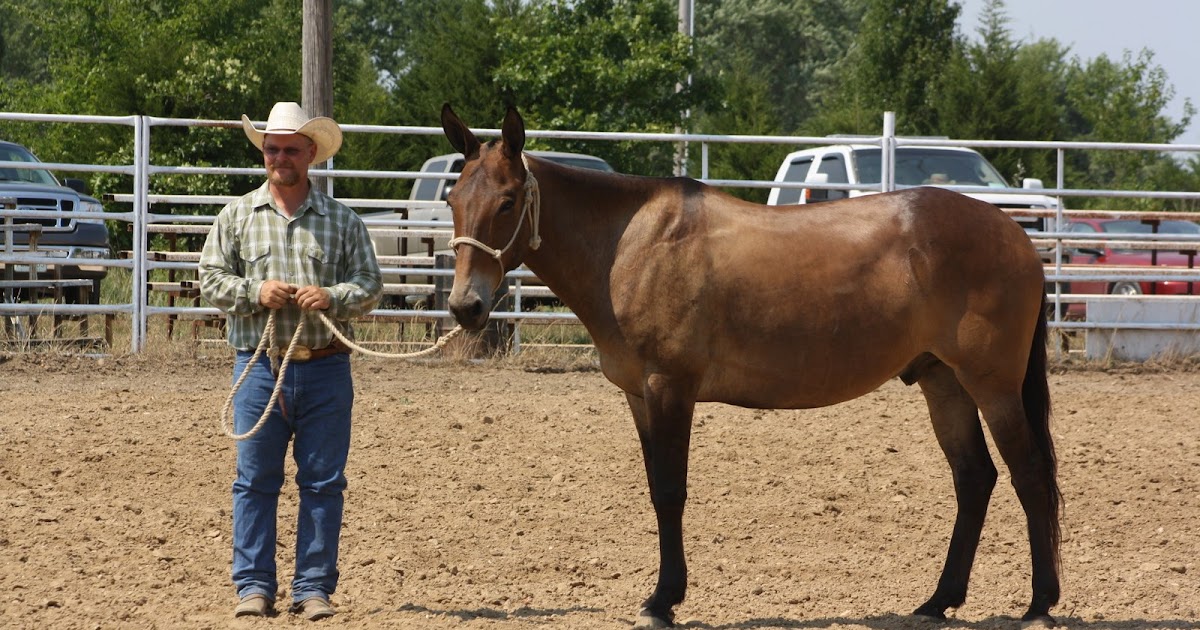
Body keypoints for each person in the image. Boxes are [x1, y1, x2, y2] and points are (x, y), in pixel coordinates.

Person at [199, 102, 383, 620]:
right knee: (254, 480)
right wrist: (254, 291)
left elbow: (370, 285)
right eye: (273, 149)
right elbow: (211, 280)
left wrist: (333, 297)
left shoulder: (343, 221)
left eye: (291, 150)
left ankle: (313, 588)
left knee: (323, 482)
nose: (281, 157)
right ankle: (254, 586)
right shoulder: (236, 217)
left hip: (325, 366)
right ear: (265, 153)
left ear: (311, 154)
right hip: (258, 367)